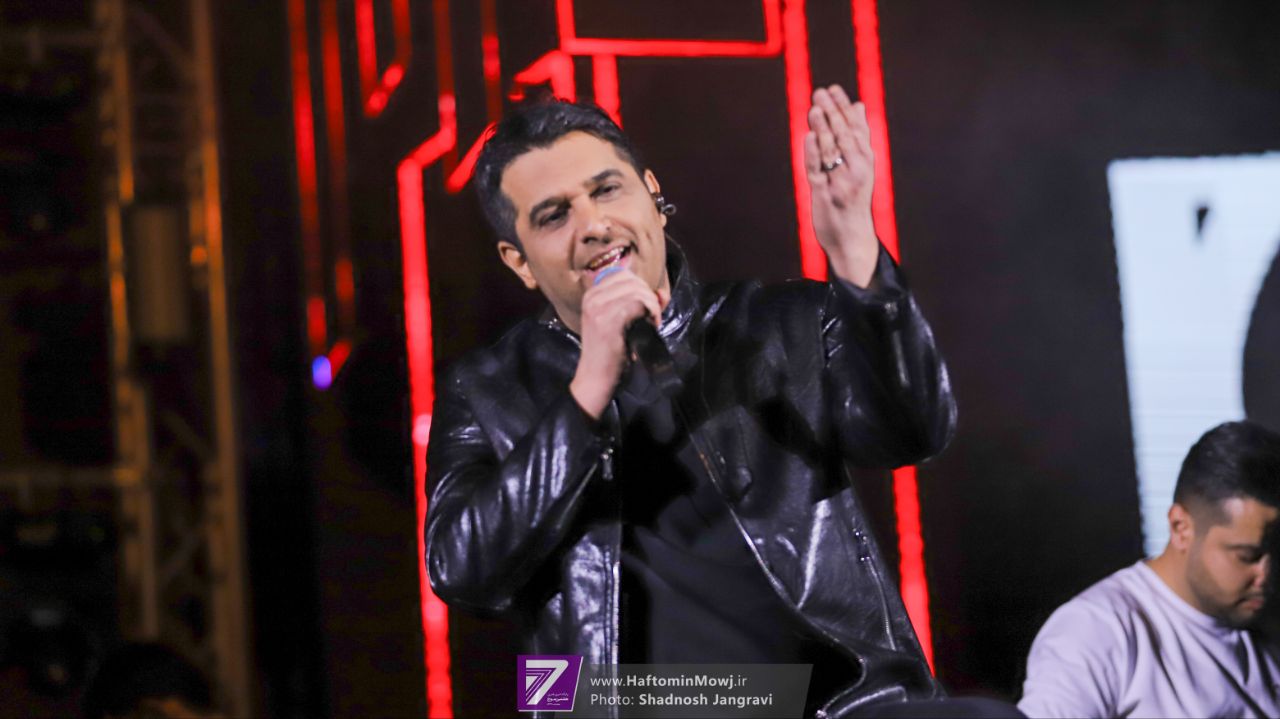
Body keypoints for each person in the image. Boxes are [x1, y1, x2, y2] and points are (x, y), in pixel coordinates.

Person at [425, 86, 965, 717]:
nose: (593, 225)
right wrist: (587, 390)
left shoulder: (781, 324)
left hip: (827, 701)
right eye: (554, 216)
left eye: (607, 190)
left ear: (653, 197)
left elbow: (914, 430)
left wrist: (855, 255)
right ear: (519, 262)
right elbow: (462, 572)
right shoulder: (487, 389)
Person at [1019, 420, 1280, 718]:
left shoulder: (1266, 620)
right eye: (1247, 556)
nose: (1266, 576)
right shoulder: (1096, 631)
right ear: (1181, 528)